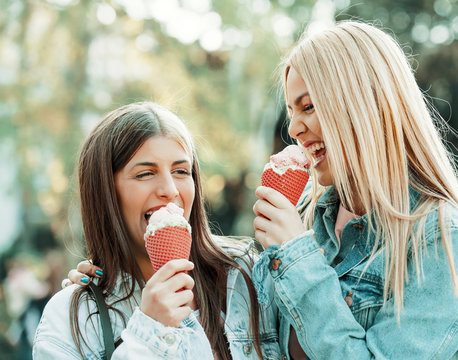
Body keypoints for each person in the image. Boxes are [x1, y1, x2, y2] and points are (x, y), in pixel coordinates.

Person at [251, 21, 458, 359]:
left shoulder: (437, 235)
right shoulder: (308, 225)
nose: (294, 128)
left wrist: (297, 258)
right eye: (292, 111)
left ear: (364, 105)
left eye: (308, 106)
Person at [33, 102, 281, 359]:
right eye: (145, 174)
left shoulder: (246, 277)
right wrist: (149, 333)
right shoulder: (74, 319)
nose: (170, 189)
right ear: (105, 192)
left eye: (181, 171)